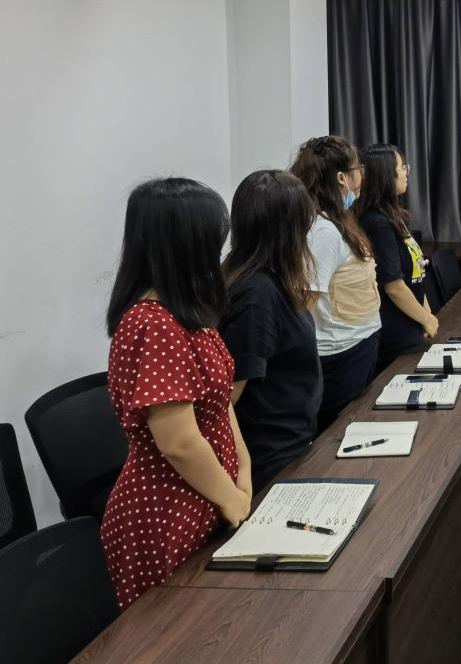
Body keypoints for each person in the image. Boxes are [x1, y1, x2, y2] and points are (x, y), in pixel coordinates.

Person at [100, 178, 251, 611]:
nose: (218, 254)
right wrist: (231, 497)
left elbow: (218, 403)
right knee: (174, 630)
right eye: (212, 243)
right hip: (168, 510)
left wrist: (243, 468)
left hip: (210, 494)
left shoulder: (186, 313)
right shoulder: (151, 325)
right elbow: (178, 442)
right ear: (183, 248)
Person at [220, 170, 323, 491]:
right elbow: (225, 401)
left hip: (293, 447)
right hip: (270, 462)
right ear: (288, 230)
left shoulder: (273, 279)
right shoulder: (256, 295)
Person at [290, 136, 381, 432]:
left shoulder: (337, 220)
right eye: (358, 169)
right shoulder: (323, 231)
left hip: (357, 345)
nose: (362, 176)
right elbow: (304, 304)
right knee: (337, 436)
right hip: (339, 355)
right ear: (342, 178)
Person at [358, 144, 440, 373]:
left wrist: (426, 315)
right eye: (402, 168)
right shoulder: (377, 223)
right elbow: (393, 285)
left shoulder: (394, 216)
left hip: (413, 324)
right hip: (396, 333)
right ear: (386, 175)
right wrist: (426, 319)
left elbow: (416, 273)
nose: (406, 173)